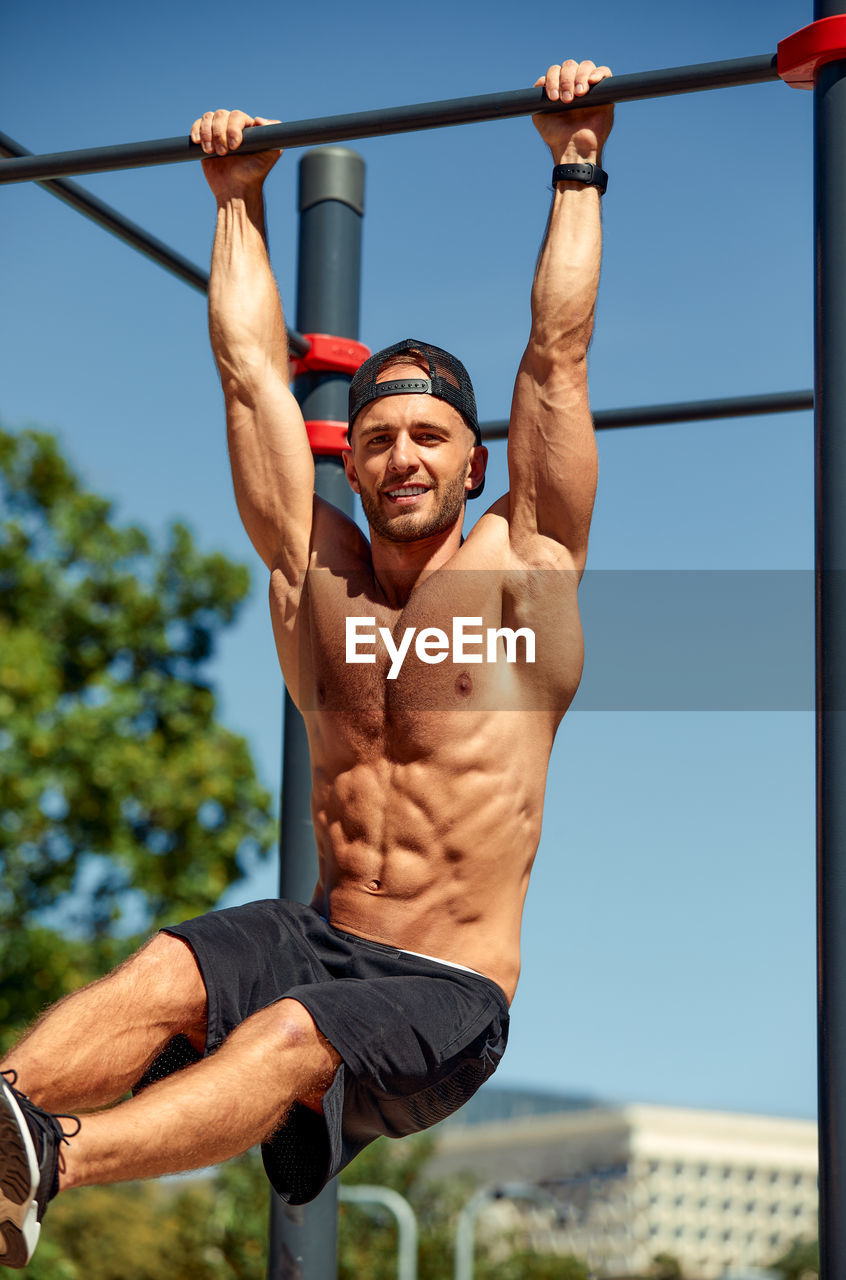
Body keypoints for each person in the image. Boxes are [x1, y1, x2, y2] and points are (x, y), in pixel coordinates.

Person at [0, 58, 613, 1269]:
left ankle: (48, 1161)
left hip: (444, 988)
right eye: (376, 437)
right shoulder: (312, 576)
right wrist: (235, 198)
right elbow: (246, 376)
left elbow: (557, 354)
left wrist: (577, 162)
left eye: (429, 436)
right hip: (321, 928)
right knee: (169, 968)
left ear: (474, 462)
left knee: (285, 1032)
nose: (399, 457)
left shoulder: (526, 567)